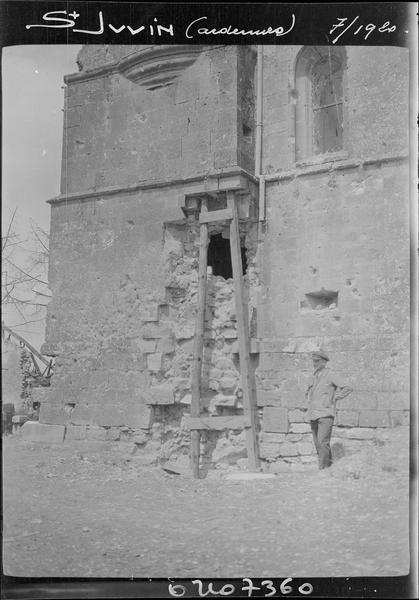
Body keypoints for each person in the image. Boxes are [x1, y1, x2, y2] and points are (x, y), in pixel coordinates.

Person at [306, 350, 353, 470]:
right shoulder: (314, 376)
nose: (314, 364)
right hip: (313, 414)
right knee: (318, 445)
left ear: (324, 362)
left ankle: (322, 471)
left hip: (326, 414)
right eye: (313, 361)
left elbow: (348, 387)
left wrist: (335, 398)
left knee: (323, 443)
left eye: (317, 361)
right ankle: (329, 468)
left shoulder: (330, 375)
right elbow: (310, 393)